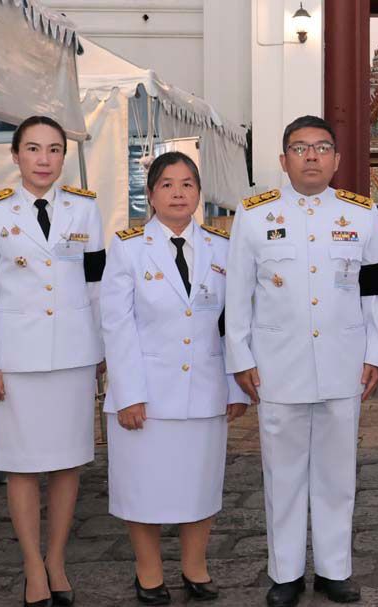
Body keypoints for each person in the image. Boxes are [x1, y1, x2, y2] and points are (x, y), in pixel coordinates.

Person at [225, 115, 378, 607]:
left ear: (337, 160)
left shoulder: (361, 216)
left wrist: (376, 352)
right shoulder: (254, 216)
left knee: (338, 473)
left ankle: (336, 570)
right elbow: (237, 295)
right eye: (300, 148)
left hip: (343, 360)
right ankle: (286, 572)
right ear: (282, 160)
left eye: (321, 148)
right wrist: (240, 357)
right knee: (283, 473)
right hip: (278, 364)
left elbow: (375, 292)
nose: (312, 156)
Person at [0, 115, 106, 607]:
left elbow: (95, 286)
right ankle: (31, 565)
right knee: (22, 466)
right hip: (17, 360)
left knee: (68, 463)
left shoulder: (85, 211)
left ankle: (56, 560)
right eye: (33, 149)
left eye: (52, 149)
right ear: (16, 155)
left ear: (63, 157)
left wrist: (101, 351)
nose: (43, 159)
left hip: (72, 353)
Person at [100, 152, 249, 605]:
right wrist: (127, 393)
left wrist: (237, 384)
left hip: (205, 388)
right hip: (145, 392)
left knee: (199, 484)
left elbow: (235, 322)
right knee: (141, 487)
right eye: (167, 184)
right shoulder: (127, 247)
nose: (178, 192)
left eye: (187, 184)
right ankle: (148, 573)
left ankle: (195, 568)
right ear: (151, 195)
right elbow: (116, 324)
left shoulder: (222, 249)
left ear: (199, 193)